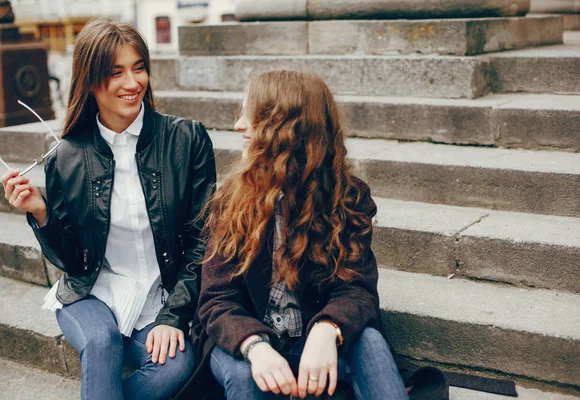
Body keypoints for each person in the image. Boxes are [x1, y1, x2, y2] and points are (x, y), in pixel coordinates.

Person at [1, 19, 216, 400]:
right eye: (116, 72)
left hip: (159, 297)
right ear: (89, 79)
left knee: (177, 365)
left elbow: (203, 241)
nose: (132, 83)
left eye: (139, 67)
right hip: (91, 293)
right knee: (101, 343)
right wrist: (40, 212)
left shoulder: (186, 139)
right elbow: (71, 262)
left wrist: (172, 316)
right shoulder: (66, 156)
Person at [182, 70, 410, 400]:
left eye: (250, 115)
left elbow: (357, 288)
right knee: (246, 377)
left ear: (284, 130)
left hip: (309, 334)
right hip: (244, 339)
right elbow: (216, 301)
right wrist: (254, 345)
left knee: (370, 341)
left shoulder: (347, 198)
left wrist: (327, 328)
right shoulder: (231, 200)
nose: (238, 125)